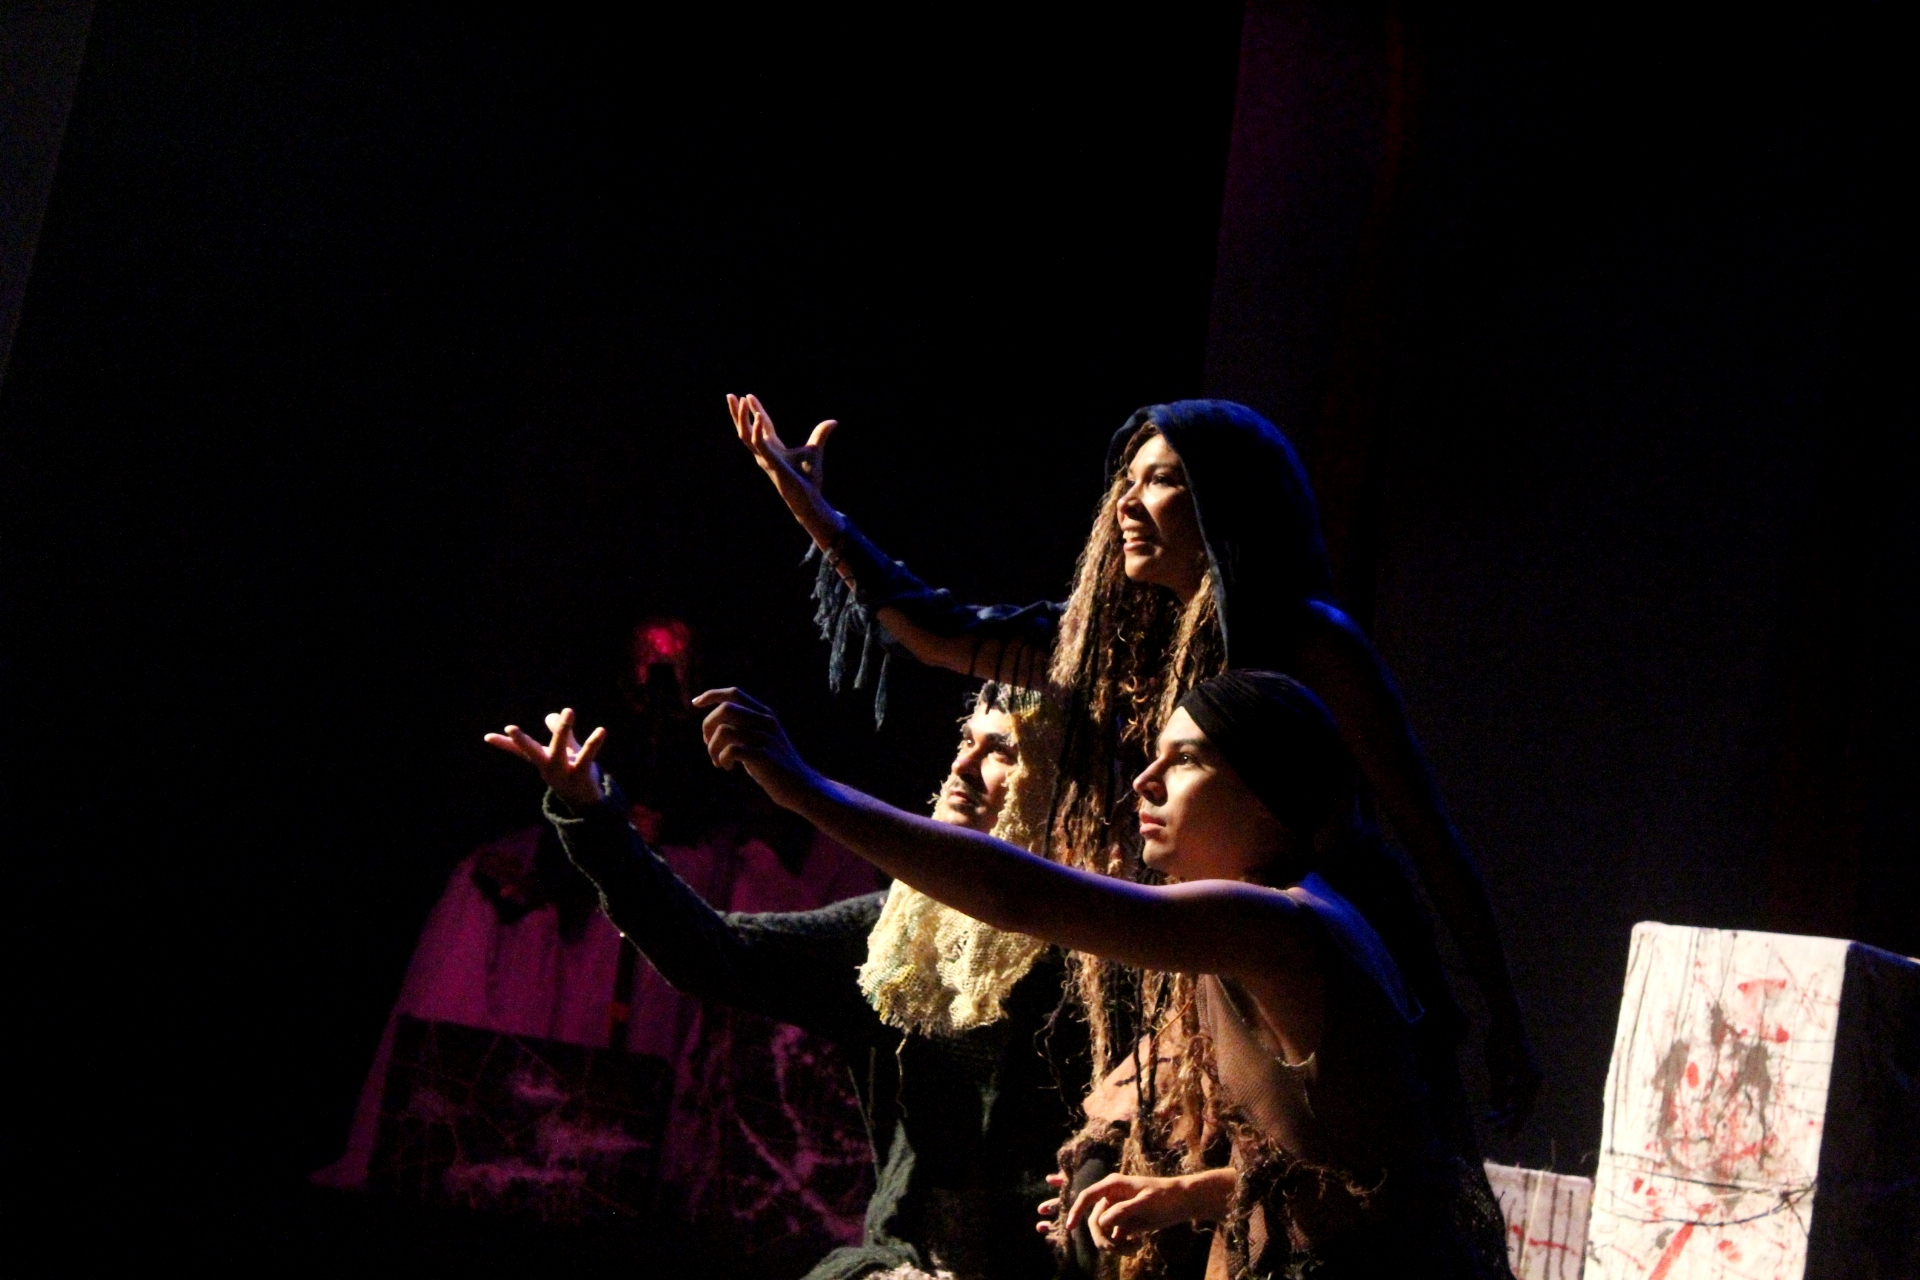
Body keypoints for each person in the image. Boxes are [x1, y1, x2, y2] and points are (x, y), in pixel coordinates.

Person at [726, 394, 1540, 1151]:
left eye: (1163, 481)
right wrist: (817, 513)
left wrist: (1503, 1010)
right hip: (1202, 963)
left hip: (1307, 963)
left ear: (1226, 500)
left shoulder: (1308, 642)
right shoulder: (1112, 644)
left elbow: (1423, 828)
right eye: (1128, 480)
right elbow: (939, 631)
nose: (1128, 502)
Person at [696, 674, 1514, 1279]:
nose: (1144, 783)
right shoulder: (1253, 934)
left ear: (1267, 800)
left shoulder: (1278, 924)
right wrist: (1188, 1196)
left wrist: (806, 790)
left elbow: (1015, 894)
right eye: (1152, 757)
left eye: (1184, 761)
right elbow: (1350, 1171)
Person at [486, 684, 1095, 1280]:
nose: (962, 766)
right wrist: (592, 815)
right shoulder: (900, 939)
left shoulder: (1099, 945)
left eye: (1001, 751)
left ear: (1057, 786)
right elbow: (708, 951)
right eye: (966, 741)